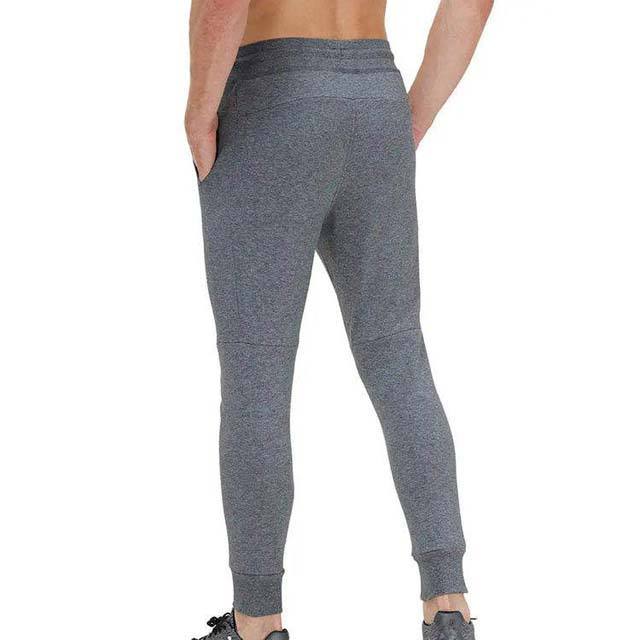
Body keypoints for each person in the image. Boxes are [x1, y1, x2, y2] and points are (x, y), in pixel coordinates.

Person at [185, 1, 493, 639]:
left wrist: (199, 112)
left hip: (271, 99)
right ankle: (448, 604)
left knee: (256, 370)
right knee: (397, 354)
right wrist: (411, 113)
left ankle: (256, 622)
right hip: (376, 93)